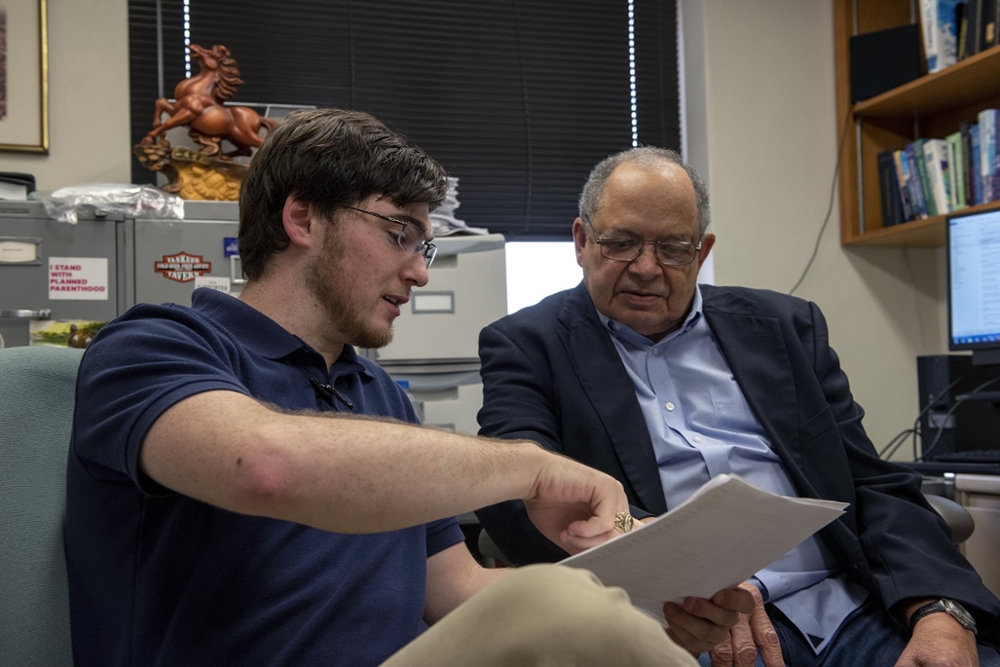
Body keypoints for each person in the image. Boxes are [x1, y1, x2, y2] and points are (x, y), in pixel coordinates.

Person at [64, 109, 751, 667]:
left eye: (426, 245)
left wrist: (646, 600)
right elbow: (265, 463)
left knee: (578, 607)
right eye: (400, 234)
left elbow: (458, 589)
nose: (419, 272)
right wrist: (532, 469)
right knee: (554, 604)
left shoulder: (380, 396)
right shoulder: (151, 347)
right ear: (301, 218)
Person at [475, 146, 1000, 667]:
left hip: (845, 610)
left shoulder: (786, 328)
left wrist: (941, 609)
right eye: (621, 243)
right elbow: (516, 490)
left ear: (701, 253)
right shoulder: (528, 344)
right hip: (677, 627)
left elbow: (872, 484)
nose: (646, 268)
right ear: (582, 240)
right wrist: (688, 585)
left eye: (674, 248)